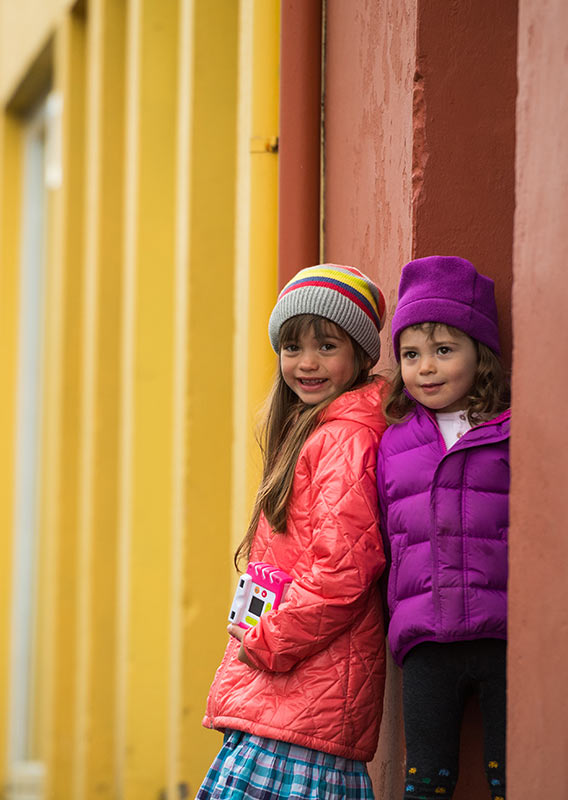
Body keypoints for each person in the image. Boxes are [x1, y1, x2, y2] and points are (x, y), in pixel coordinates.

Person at [198, 264, 390, 800]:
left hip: (307, 689)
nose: (306, 363)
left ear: (359, 353)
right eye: (292, 347)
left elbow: (342, 572)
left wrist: (267, 640)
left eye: (326, 346)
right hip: (296, 687)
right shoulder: (314, 430)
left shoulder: (344, 440)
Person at [377, 255, 510, 800]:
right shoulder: (393, 442)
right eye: (411, 354)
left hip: (502, 636)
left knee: (514, 774)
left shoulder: (511, 431)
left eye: (444, 350)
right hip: (425, 641)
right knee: (426, 781)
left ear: (481, 355)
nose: (425, 368)